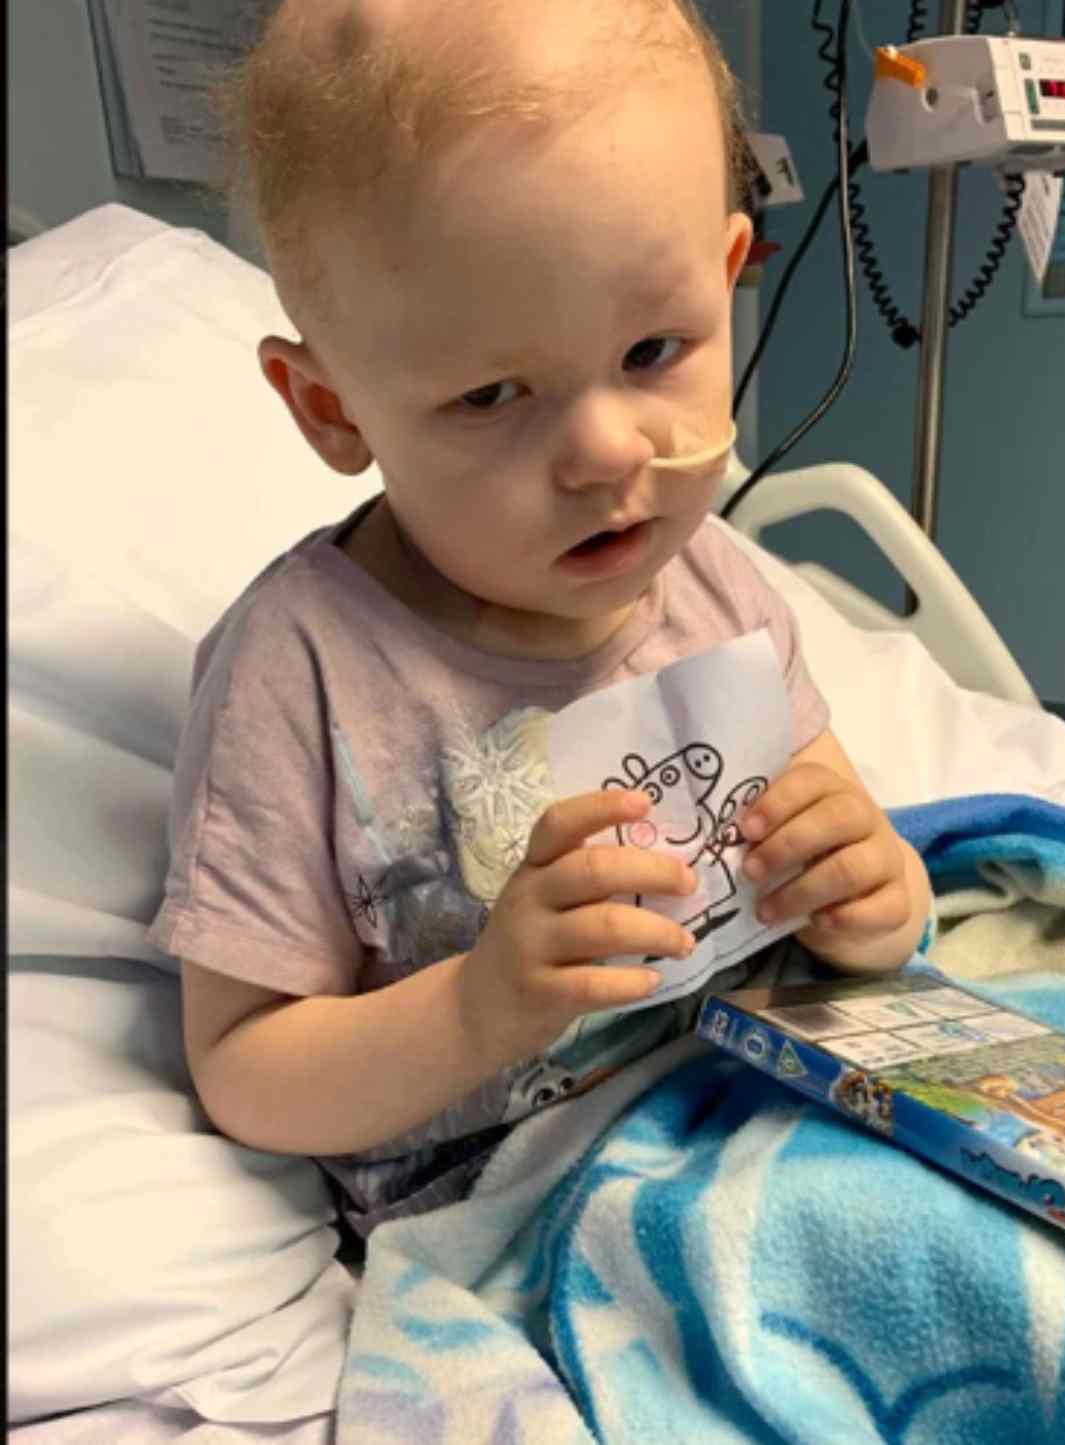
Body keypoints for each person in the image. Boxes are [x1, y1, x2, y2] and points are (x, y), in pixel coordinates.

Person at [148, 0, 933, 1236]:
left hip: (754, 1102)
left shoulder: (714, 579)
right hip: (517, 1202)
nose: (607, 451)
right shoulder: (301, 673)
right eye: (492, 394)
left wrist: (879, 899)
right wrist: (476, 1009)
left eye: (654, 348)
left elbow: (833, 828)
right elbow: (244, 1067)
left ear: (729, 275)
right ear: (332, 409)